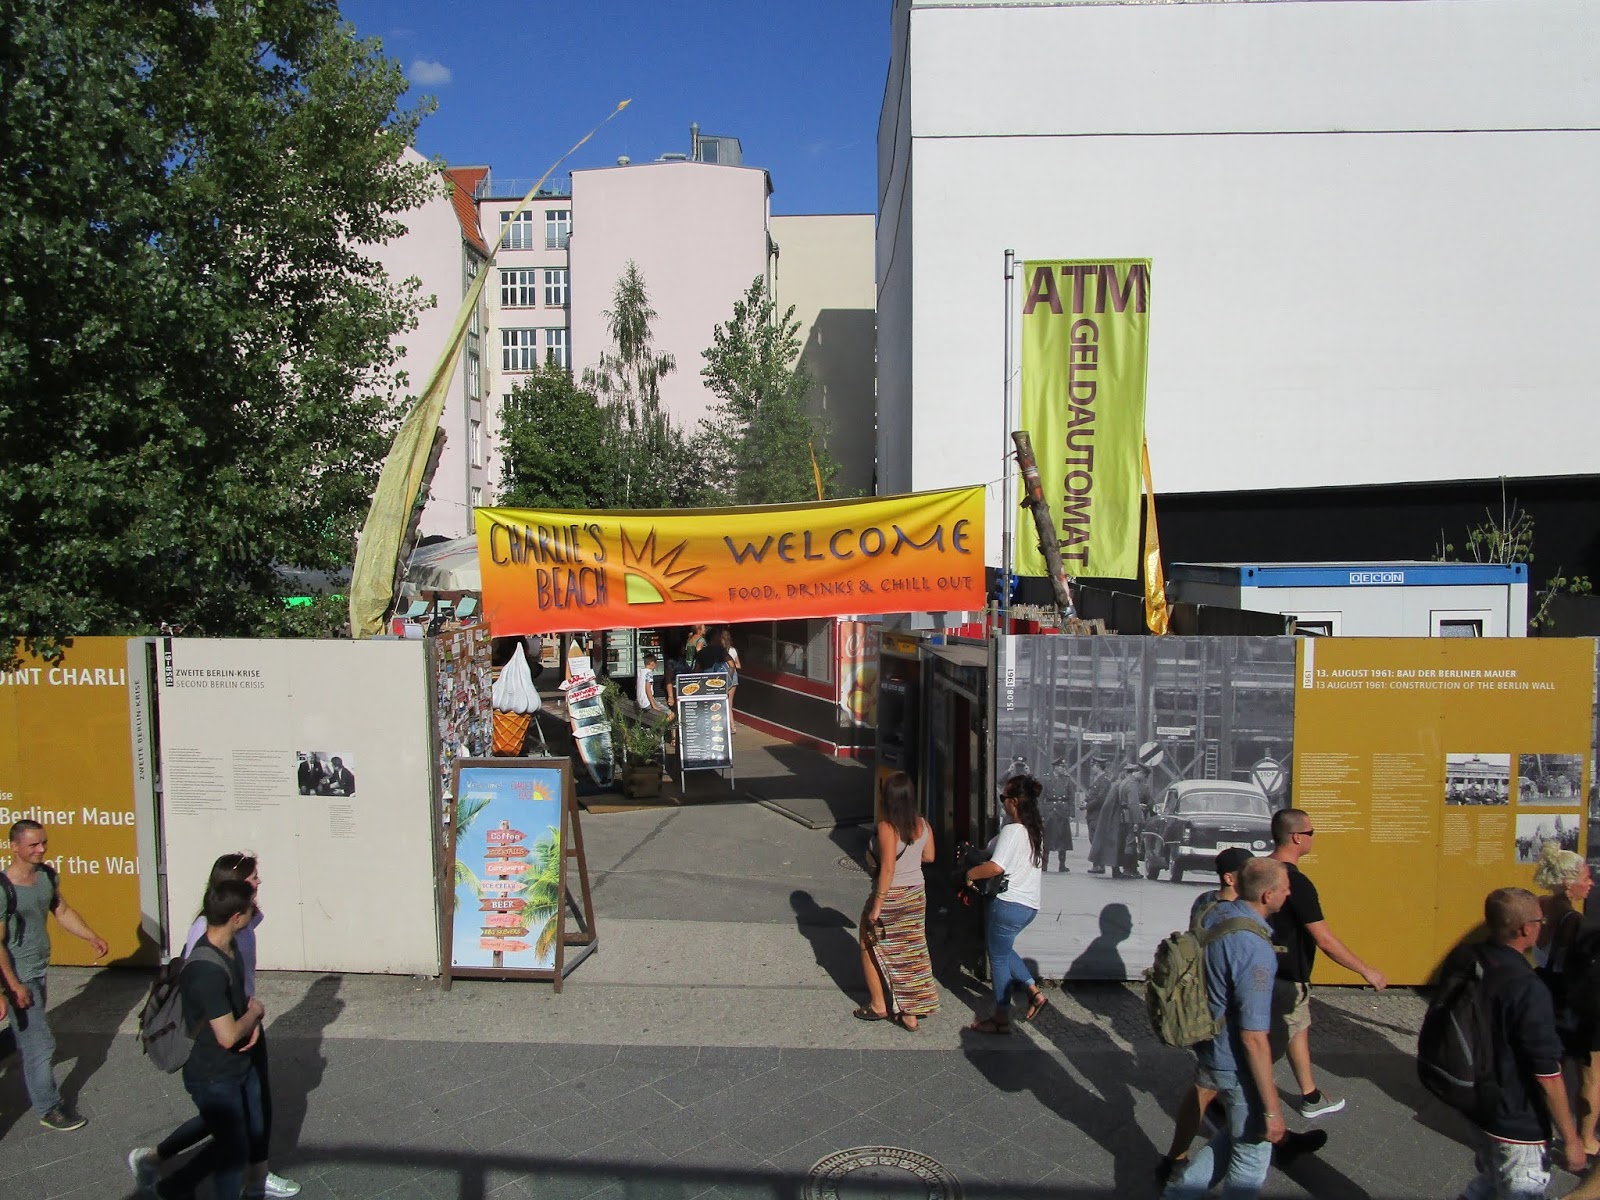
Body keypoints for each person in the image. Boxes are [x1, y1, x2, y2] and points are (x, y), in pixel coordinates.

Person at [130, 853, 300, 1198]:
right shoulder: (207, 956)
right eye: (252, 878)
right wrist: (254, 1013)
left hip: (239, 1038)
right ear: (234, 911)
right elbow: (221, 1028)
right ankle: (168, 1173)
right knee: (230, 1142)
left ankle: (246, 1179)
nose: (258, 883)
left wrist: (249, 1016)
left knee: (246, 1122)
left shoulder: (231, 940)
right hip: (215, 1059)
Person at [1161, 857, 1291, 1200]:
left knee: (1236, 1136)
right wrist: (1273, 1110)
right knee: (1251, 1156)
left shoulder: (1215, 913)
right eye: (1285, 888)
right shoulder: (1255, 949)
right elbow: (1253, 1038)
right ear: (1267, 895)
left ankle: (1177, 1195)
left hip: (1209, 1045)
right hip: (1235, 1062)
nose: (1289, 893)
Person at [1443, 888, 1584, 1200]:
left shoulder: (1466, 959)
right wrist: (1571, 1138)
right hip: (1515, 1120)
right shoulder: (1528, 988)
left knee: (1492, 1181)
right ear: (1526, 928)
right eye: (1540, 921)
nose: (1543, 926)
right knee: (1518, 1186)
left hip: (1475, 1104)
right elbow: (1547, 1075)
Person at [147, 879, 268, 1200]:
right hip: (213, 1074)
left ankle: (174, 1186)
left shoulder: (230, 948)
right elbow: (227, 1036)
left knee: (235, 1141)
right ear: (236, 918)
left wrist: (250, 1020)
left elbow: (237, 1002)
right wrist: (255, 1013)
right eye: (250, 909)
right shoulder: (206, 970)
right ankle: (172, 1183)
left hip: (237, 1065)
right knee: (233, 1152)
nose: (255, 913)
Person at [1267, 807, 1387, 1119]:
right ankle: (1227, 1099)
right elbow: (1325, 940)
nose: (1313, 838)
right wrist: (1366, 970)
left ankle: (1310, 1095)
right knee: (1262, 1047)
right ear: (1297, 837)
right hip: (1286, 976)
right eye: (1311, 833)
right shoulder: (1296, 883)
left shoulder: (1256, 871)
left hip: (1258, 972)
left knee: (1297, 1028)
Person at [0, 819, 108, 1132]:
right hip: (17, 975)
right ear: (14, 847)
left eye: (44, 842)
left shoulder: (46, 875)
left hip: (38, 968)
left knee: (26, 1033)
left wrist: (90, 936)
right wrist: (13, 985)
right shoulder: (4, 888)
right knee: (41, 1044)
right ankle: (49, 1108)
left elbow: (61, 910)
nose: (41, 849)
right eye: (33, 844)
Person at [853, 772, 938, 1031]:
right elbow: (930, 857)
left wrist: (877, 905)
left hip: (893, 895)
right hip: (916, 894)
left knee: (868, 941)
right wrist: (911, 857)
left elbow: (888, 869)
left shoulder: (887, 827)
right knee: (911, 949)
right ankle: (910, 1012)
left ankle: (879, 1004)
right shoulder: (922, 824)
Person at [1532, 841, 1600, 1158]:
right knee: (1591, 1074)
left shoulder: (1539, 906)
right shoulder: (1574, 921)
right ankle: (1585, 1139)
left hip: (1544, 995)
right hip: (1574, 1001)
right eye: (1586, 877)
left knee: (1550, 1071)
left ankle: (1544, 1134)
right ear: (1568, 882)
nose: (1591, 883)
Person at [966, 774, 1049, 1033]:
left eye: (1003, 797)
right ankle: (1033, 992)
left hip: (1008, 904)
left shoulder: (1013, 831)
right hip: (1029, 905)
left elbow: (995, 867)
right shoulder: (1035, 831)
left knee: (998, 959)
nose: (1001, 802)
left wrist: (969, 874)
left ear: (1013, 801)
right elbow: (992, 850)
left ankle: (1001, 1017)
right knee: (1002, 949)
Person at [1041, 762, 1074, 872]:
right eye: (1061, 766)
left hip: (1062, 811)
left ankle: (1062, 864)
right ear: (1055, 767)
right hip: (1050, 811)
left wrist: (1071, 813)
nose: (1063, 769)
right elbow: (1041, 798)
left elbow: (1071, 797)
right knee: (1047, 839)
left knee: (1063, 838)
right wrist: (1042, 814)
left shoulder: (1067, 780)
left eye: (1064, 766)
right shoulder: (1047, 779)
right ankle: (1044, 864)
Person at [717, 628, 741, 708]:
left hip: (723, 676)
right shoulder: (733, 650)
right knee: (730, 703)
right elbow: (739, 665)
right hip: (733, 676)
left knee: (720, 702)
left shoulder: (720, 651)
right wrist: (732, 663)